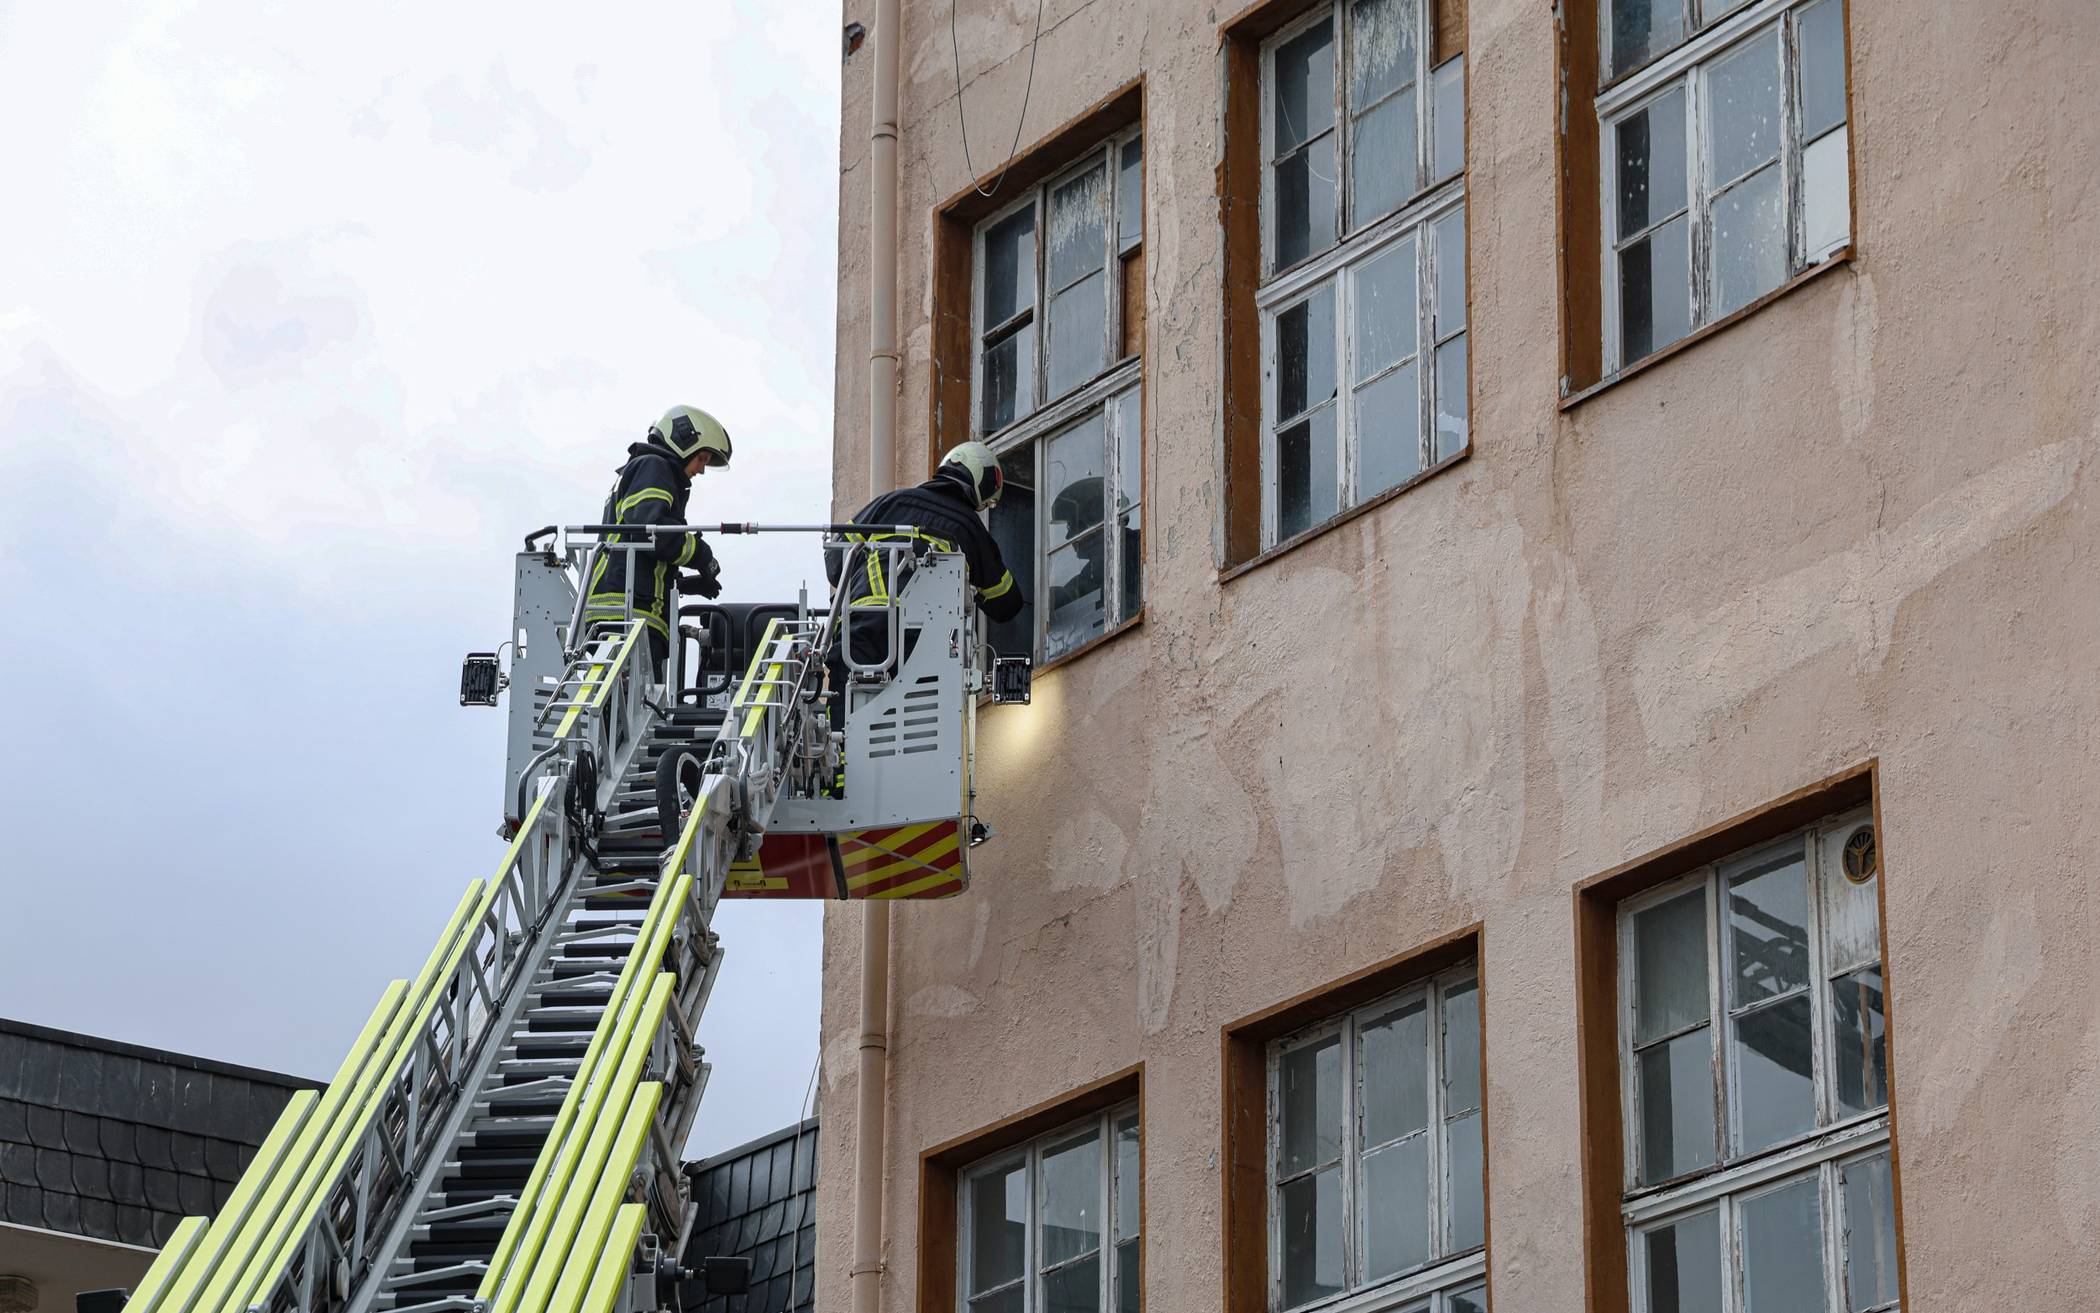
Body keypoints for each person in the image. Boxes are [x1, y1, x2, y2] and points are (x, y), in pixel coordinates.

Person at [826, 440, 1024, 709]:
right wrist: (974, 590)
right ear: (979, 483)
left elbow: (835, 562)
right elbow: (1007, 603)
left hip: (860, 627)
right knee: (915, 718)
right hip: (922, 642)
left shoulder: (891, 502)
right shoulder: (969, 527)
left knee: (843, 719)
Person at [583, 405, 731, 674]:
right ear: (683, 441)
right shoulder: (654, 467)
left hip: (624, 611)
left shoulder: (645, 470)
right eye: (702, 459)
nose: (701, 470)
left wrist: (683, 585)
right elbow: (652, 532)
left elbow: (642, 553)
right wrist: (702, 554)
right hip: (629, 614)